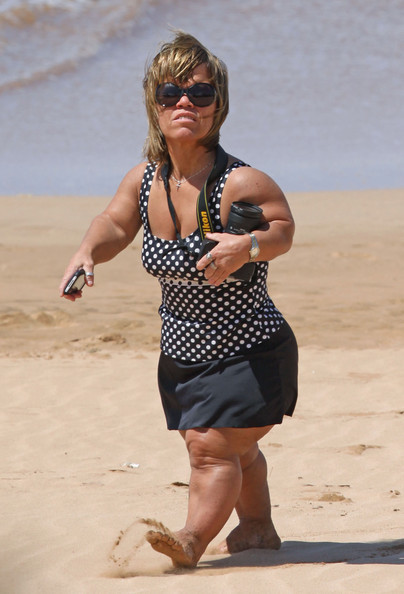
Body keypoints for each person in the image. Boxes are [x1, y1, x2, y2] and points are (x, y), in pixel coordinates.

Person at [59, 31, 298, 568]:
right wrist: (87, 252)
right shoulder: (146, 181)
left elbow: (282, 230)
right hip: (183, 354)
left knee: (211, 447)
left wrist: (247, 246)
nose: (185, 102)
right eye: (171, 93)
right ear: (155, 103)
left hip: (251, 350)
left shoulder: (240, 181)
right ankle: (257, 527)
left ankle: (191, 539)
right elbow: (114, 223)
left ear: (219, 105)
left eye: (200, 93)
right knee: (234, 447)